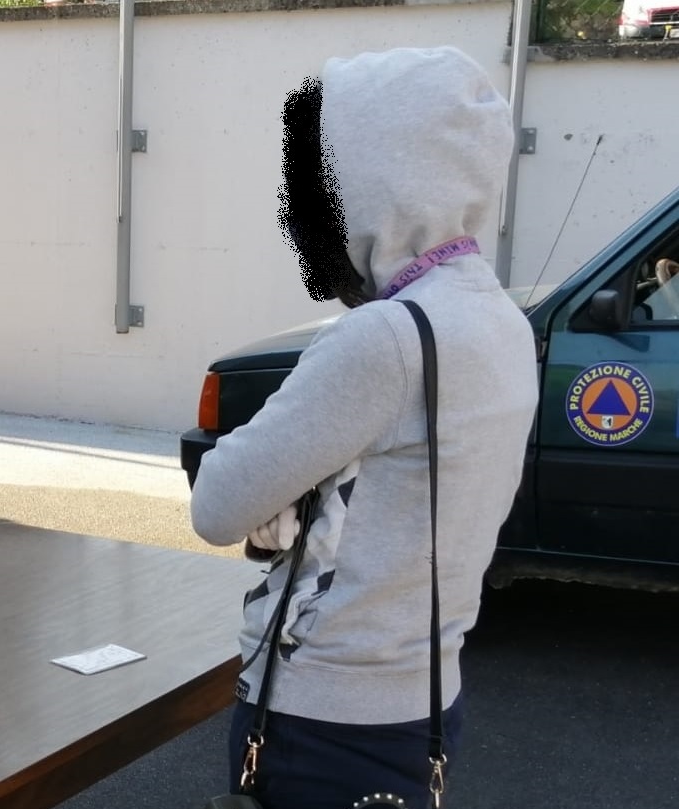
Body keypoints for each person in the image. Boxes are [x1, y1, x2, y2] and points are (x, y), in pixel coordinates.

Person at [189, 46, 539, 809]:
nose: (313, 201)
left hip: (324, 714)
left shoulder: (384, 339)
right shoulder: (501, 323)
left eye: (329, 175)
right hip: (426, 698)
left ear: (381, 179)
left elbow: (217, 502)